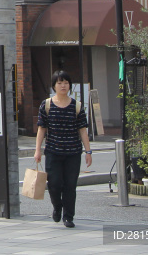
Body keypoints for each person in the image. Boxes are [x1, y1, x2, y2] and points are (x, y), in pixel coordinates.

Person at [33, 70, 92, 228]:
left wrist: (88, 151)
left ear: (70, 85)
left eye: (65, 83)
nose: (63, 85)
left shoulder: (77, 106)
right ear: (54, 86)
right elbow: (41, 129)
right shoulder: (46, 105)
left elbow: (82, 130)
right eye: (59, 83)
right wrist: (37, 150)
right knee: (54, 184)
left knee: (70, 185)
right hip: (53, 151)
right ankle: (57, 207)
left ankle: (68, 216)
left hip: (73, 152)